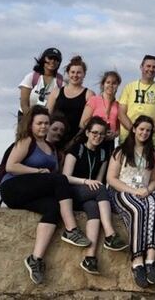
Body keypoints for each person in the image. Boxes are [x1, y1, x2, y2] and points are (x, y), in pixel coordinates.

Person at [0, 106, 91, 285]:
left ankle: (35, 259)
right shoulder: (27, 141)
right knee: (59, 179)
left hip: (32, 191)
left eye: (46, 123)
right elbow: (11, 166)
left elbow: (54, 178)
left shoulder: (51, 148)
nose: (43, 126)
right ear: (31, 124)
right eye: (39, 123)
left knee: (53, 208)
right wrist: (37, 171)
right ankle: (72, 229)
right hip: (13, 187)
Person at [62, 117, 128, 275]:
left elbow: (99, 180)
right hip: (72, 192)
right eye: (94, 133)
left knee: (94, 207)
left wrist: (93, 185)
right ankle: (110, 234)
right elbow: (65, 177)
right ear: (87, 133)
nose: (98, 137)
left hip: (91, 194)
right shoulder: (76, 149)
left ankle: (89, 258)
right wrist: (86, 181)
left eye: (102, 134)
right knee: (100, 189)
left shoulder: (104, 153)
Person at [106, 115, 155, 289]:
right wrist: (133, 190)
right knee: (137, 210)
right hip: (123, 190)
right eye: (142, 129)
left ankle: (150, 260)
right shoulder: (121, 151)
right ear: (134, 129)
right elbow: (111, 178)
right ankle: (137, 261)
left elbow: (153, 179)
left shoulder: (153, 152)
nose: (144, 133)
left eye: (148, 130)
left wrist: (148, 190)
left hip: (144, 190)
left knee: (154, 205)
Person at [117, 55, 155, 147]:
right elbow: (121, 113)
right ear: (141, 67)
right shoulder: (129, 87)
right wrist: (134, 131)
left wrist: (147, 132)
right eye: (148, 66)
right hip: (128, 139)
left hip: (151, 142)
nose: (151, 69)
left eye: (154, 67)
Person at [48, 56, 94, 147]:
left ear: (84, 74)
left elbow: (85, 124)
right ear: (68, 73)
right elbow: (47, 115)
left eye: (79, 73)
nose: (75, 75)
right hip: (54, 137)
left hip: (75, 140)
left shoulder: (89, 94)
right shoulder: (56, 92)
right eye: (72, 72)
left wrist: (73, 143)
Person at [80, 71, 121, 153]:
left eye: (114, 83)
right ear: (103, 85)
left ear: (117, 86)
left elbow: (119, 128)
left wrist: (114, 134)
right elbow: (82, 123)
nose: (110, 85)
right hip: (93, 140)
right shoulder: (94, 100)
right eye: (108, 82)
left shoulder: (118, 105)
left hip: (108, 142)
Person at [18, 47, 63, 119]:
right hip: (26, 116)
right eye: (50, 58)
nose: (53, 61)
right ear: (43, 59)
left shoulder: (61, 82)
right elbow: (24, 103)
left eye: (56, 59)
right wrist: (31, 120)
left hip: (47, 120)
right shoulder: (31, 77)